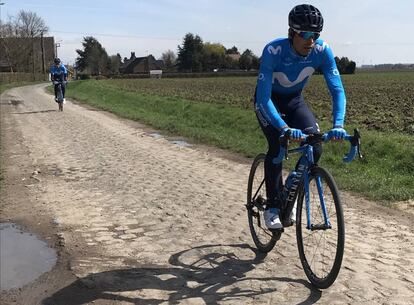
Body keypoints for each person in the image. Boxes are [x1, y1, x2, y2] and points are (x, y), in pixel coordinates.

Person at [254, 4, 347, 229]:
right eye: (305, 34)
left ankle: (291, 192)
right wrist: (284, 128)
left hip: (294, 100)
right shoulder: (273, 51)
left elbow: (337, 90)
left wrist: (338, 124)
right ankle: (273, 206)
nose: (311, 41)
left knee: (315, 145)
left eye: (315, 35)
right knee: (277, 144)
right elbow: (264, 98)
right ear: (292, 33)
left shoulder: (322, 51)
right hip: (268, 101)